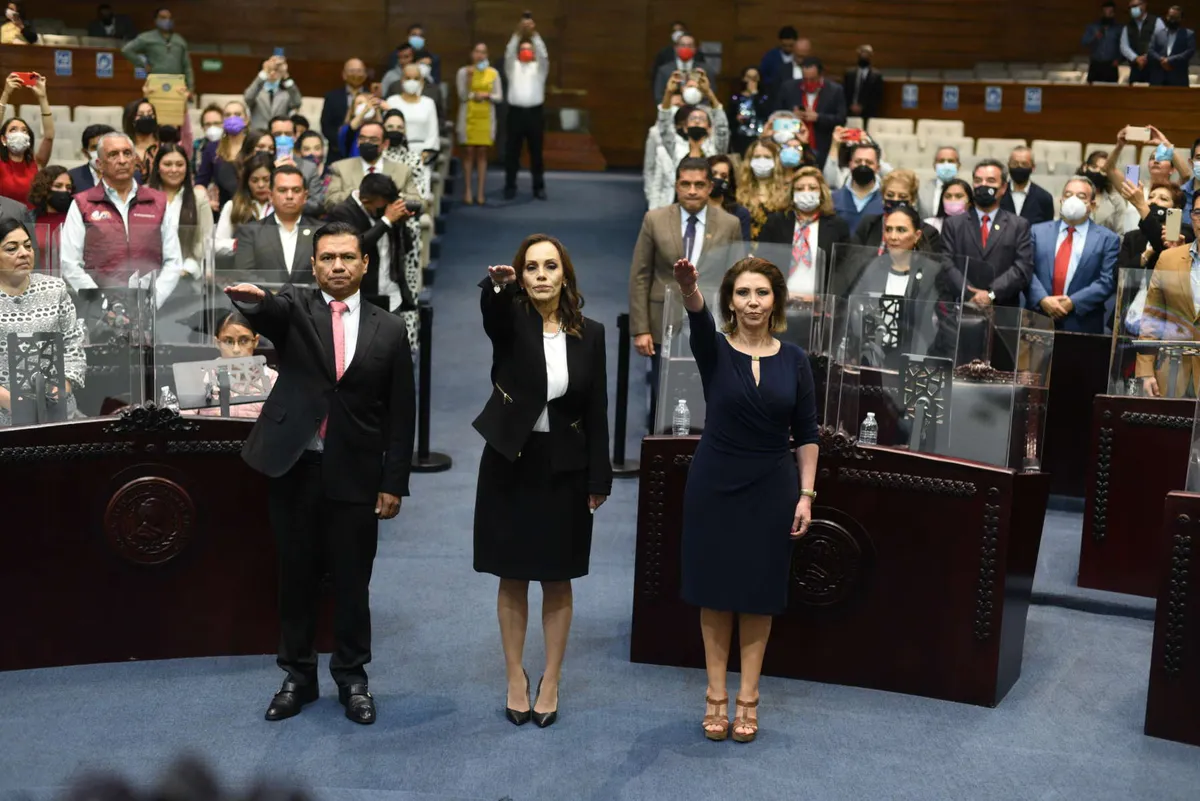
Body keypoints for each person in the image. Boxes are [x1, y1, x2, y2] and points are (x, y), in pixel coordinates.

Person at [224, 221, 416, 725]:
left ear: (364, 264)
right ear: (314, 265)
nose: (337, 266)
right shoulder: (297, 308)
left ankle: (352, 677)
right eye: (327, 257)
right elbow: (266, 310)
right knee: (296, 577)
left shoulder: (390, 327)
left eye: (347, 257)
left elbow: (402, 413)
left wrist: (393, 482)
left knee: (354, 580)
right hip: (296, 465)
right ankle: (298, 677)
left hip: (356, 471)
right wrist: (252, 300)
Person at [669, 253, 818, 743]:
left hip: (772, 486)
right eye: (742, 293)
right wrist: (690, 287)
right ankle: (715, 695)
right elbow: (695, 315)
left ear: (776, 300)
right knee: (714, 593)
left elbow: (808, 434)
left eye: (761, 293)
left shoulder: (796, 360)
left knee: (758, 594)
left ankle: (749, 698)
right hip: (715, 483)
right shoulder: (714, 349)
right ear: (730, 301)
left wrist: (806, 494)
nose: (752, 302)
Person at [473, 233, 611, 729]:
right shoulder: (511, 320)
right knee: (512, 575)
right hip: (511, 460)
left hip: (565, 465)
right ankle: (515, 676)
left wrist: (601, 475)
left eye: (550, 267)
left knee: (558, 576)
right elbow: (492, 315)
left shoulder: (591, 333)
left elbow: (597, 408)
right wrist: (496, 288)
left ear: (564, 275)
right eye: (531, 267)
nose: (540, 276)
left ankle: (550, 678)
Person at [629, 157, 743, 429]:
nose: (692, 190)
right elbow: (640, 275)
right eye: (686, 184)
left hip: (713, 324)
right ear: (676, 186)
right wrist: (640, 328)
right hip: (662, 323)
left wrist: (737, 330)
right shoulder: (654, 219)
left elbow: (736, 281)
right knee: (662, 396)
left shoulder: (729, 224)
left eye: (699, 184)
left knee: (710, 395)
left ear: (710, 187)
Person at [59, 132, 184, 309]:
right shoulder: (82, 203)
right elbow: (69, 262)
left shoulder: (158, 201)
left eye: (127, 153)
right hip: (98, 311)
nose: (122, 160)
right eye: (113, 155)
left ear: (135, 160)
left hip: (148, 308)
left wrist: (154, 299)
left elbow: (173, 261)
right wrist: (100, 303)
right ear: (99, 164)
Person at [0, 219, 85, 427]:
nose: (24, 253)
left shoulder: (54, 289)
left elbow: (74, 344)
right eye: (12, 248)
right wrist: (10, 401)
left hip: (56, 411)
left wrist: (63, 386)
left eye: (28, 246)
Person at [1026, 177, 1120, 333]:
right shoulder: (1037, 231)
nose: (1073, 200)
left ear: (1093, 205)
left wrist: (1072, 302)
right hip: (1038, 318)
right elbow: (1026, 270)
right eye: (1068, 195)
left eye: (1081, 196)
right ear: (1061, 200)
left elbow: (1107, 280)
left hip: (1083, 322)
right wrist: (1043, 299)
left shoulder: (1108, 239)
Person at [939, 159, 1034, 307]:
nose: (983, 185)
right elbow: (945, 264)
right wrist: (970, 294)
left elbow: (1022, 268)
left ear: (1003, 188)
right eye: (978, 180)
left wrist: (990, 294)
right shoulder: (953, 224)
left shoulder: (1018, 225)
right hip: (961, 309)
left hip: (1003, 311)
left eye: (990, 181)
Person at [1135, 192, 1200, 395]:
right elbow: (1152, 319)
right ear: (1191, 217)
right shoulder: (1169, 259)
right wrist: (1145, 371)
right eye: (1198, 212)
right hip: (1173, 373)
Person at [325, 173, 417, 314]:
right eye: (380, 208)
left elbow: (408, 248)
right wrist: (386, 221)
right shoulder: (342, 212)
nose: (385, 211)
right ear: (365, 201)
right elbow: (353, 247)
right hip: (361, 298)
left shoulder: (388, 213)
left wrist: (400, 223)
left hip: (393, 294)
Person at [757, 165, 852, 296]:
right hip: (780, 301)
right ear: (792, 193)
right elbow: (762, 261)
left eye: (812, 188)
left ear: (822, 192)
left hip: (819, 304)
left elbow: (842, 270)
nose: (806, 192)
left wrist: (823, 299)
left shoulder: (837, 225)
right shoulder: (776, 222)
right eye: (800, 189)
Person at [233, 165, 318, 287]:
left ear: (305, 196)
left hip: (310, 303)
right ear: (271, 196)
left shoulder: (321, 231)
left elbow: (326, 274)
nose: (289, 196)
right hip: (265, 302)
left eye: (296, 190)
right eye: (282, 190)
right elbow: (244, 274)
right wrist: (277, 297)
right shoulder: (250, 232)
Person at [149, 142, 212, 284]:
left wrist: (186, 270)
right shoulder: (144, 196)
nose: (174, 169)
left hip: (186, 277)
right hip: (151, 277)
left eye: (179, 164)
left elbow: (204, 239)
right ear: (158, 167)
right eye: (167, 164)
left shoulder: (199, 198)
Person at [325, 122, 423, 211]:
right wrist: (359, 194)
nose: (367, 143)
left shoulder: (402, 170)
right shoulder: (341, 168)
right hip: (351, 226)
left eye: (373, 140)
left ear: (385, 144)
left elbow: (419, 203)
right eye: (362, 138)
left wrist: (391, 197)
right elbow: (329, 203)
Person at [503, 16, 550, 201]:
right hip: (515, 114)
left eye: (529, 49)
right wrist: (517, 34)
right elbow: (508, 52)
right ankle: (509, 186)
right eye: (522, 49)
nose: (525, 52)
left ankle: (538, 187)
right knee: (512, 153)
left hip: (535, 114)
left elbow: (544, 55)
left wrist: (534, 34)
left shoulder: (540, 69)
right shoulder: (512, 67)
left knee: (536, 153)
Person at [849, 169, 943, 256]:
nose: (895, 199)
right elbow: (853, 259)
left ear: (912, 199)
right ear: (882, 196)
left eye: (902, 196)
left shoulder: (928, 232)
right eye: (890, 195)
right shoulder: (869, 223)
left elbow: (929, 266)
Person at [775, 57, 846, 167]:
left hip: (823, 145)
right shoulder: (788, 88)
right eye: (805, 79)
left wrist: (818, 117)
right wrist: (792, 116)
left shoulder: (835, 90)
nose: (808, 83)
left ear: (821, 75)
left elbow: (841, 119)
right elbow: (776, 117)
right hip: (793, 146)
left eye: (812, 79)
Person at [457, 44, 503, 206]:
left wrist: (487, 95)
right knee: (469, 152)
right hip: (468, 115)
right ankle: (468, 190)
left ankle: (481, 192)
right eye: (476, 51)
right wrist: (470, 82)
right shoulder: (463, 72)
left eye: (483, 52)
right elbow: (462, 95)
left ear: (487, 54)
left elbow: (499, 97)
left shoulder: (493, 73)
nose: (479, 55)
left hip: (486, 116)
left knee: (482, 152)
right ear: (472, 54)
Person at [0, 73, 53, 206]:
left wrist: (42, 97)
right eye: (13, 130)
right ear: (3, 139)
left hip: (30, 221)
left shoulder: (37, 162)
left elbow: (49, 136)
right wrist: (6, 93)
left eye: (24, 130)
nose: (20, 133)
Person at [1117, 180, 1191, 274]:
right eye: (1150, 197)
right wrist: (1146, 255)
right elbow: (1118, 274)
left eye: (1163, 199)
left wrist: (1141, 205)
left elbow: (1161, 242)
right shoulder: (1131, 237)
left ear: (1176, 209)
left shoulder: (1185, 231)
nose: (1153, 202)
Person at [121, 7, 194, 93]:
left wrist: (190, 88)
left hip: (177, 84)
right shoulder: (147, 38)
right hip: (155, 82)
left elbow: (187, 67)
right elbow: (126, 50)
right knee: (154, 106)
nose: (167, 20)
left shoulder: (179, 40)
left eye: (169, 18)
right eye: (163, 18)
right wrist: (142, 64)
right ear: (156, 20)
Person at [215, 151, 274, 256]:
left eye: (266, 180)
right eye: (254, 180)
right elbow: (218, 245)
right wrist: (243, 244)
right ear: (247, 182)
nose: (261, 185)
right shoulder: (233, 206)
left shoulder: (280, 207)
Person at [196, 99, 250, 209]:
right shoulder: (212, 148)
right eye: (228, 115)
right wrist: (204, 201)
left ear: (246, 120)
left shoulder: (254, 144)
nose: (232, 118)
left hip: (251, 206)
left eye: (237, 114)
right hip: (223, 209)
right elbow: (201, 182)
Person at [383, 65, 441, 164]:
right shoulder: (392, 101)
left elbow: (433, 132)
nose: (412, 81)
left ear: (422, 81)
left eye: (416, 79)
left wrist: (425, 154)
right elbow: (385, 128)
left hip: (421, 154)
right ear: (402, 80)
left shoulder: (428, 103)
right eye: (408, 78)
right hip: (394, 153)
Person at [736, 138, 791, 240]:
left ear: (776, 161)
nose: (762, 161)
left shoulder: (786, 193)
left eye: (767, 157)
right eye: (757, 157)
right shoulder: (738, 192)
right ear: (749, 160)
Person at [321, 59, 368, 163]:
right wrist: (342, 143)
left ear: (365, 74)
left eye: (359, 71)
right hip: (337, 152)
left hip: (366, 151)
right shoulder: (332, 97)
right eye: (352, 71)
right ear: (344, 75)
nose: (356, 74)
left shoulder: (371, 96)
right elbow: (326, 126)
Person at [831, 141, 883, 235]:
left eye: (869, 162)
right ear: (850, 165)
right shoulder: (833, 199)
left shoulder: (886, 202)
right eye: (858, 161)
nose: (863, 165)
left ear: (878, 167)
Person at [997, 146, 1056, 226]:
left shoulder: (1044, 198)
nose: (1019, 167)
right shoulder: (998, 194)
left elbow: (1047, 231)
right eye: (1014, 164)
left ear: (1033, 167)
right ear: (1008, 166)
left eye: (1024, 164)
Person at [244, 55, 302, 130]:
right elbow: (248, 98)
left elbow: (297, 103)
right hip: (258, 135)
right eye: (270, 70)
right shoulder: (256, 93)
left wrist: (285, 75)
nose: (272, 73)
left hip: (278, 134)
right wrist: (265, 72)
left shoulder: (286, 94)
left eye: (276, 70)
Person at [27, 165, 72, 257]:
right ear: (44, 189)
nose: (64, 190)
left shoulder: (77, 218)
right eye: (58, 186)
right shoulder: (28, 219)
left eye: (68, 187)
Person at [652, 29, 708, 102]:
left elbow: (710, 96)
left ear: (695, 49)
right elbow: (658, 97)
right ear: (676, 48)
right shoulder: (664, 70)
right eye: (682, 45)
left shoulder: (704, 70)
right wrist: (669, 100)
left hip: (698, 110)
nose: (686, 48)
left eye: (690, 46)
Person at [1148, 5, 1195, 86]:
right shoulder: (1158, 33)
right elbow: (1150, 51)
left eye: (1176, 18)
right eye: (1171, 17)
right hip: (1158, 78)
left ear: (1181, 19)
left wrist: (1170, 60)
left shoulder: (1188, 34)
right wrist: (1161, 60)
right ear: (1167, 16)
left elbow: (1189, 51)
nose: (1172, 20)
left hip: (1178, 78)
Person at [729, 66, 771, 158]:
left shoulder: (764, 97)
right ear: (743, 79)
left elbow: (764, 113)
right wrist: (736, 119)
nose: (751, 81)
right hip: (740, 137)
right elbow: (729, 117)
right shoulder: (736, 97)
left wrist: (754, 94)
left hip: (759, 136)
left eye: (755, 78)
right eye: (748, 77)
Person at [1121, 0, 1165, 84]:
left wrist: (1146, 57)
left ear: (1144, 5)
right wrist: (1136, 58)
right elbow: (1124, 46)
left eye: (1135, 6)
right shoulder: (1128, 26)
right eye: (1131, 7)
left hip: (1154, 69)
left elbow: (1161, 43)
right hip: (1136, 68)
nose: (1133, 9)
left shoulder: (1157, 22)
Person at [708, 155, 752, 241]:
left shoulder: (740, 213)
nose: (718, 178)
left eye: (724, 176)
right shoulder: (694, 207)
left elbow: (742, 249)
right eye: (713, 174)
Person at [1083, 1, 1124, 83]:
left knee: (1111, 93)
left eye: (1110, 12)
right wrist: (1095, 37)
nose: (1108, 14)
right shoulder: (1093, 27)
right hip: (1095, 64)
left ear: (1114, 13)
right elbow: (1084, 42)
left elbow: (1124, 46)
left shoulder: (1119, 29)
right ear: (1102, 13)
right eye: (1106, 12)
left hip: (1111, 65)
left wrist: (1119, 59)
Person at [757, 26, 798, 106]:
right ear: (780, 42)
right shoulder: (770, 57)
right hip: (775, 96)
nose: (788, 48)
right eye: (785, 45)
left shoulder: (799, 57)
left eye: (791, 46)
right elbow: (762, 75)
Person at [917, 146, 961, 220]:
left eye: (950, 161)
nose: (946, 165)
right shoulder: (921, 190)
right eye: (941, 161)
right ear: (934, 165)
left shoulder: (965, 191)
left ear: (958, 166)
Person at [843, 45, 884, 124]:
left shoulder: (876, 75)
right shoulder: (849, 73)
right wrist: (851, 106)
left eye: (867, 53)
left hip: (868, 113)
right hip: (849, 111)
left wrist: (862, 106)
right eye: (862, 53)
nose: (864, 55)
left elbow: (877, 96)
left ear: (871, 56)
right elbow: (845, 92)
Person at [192, 104, 223, 170]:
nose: (212, 127)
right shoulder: (197, 145)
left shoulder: (232, 145)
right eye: (208, 124)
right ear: (203, 127)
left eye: (216, 123)